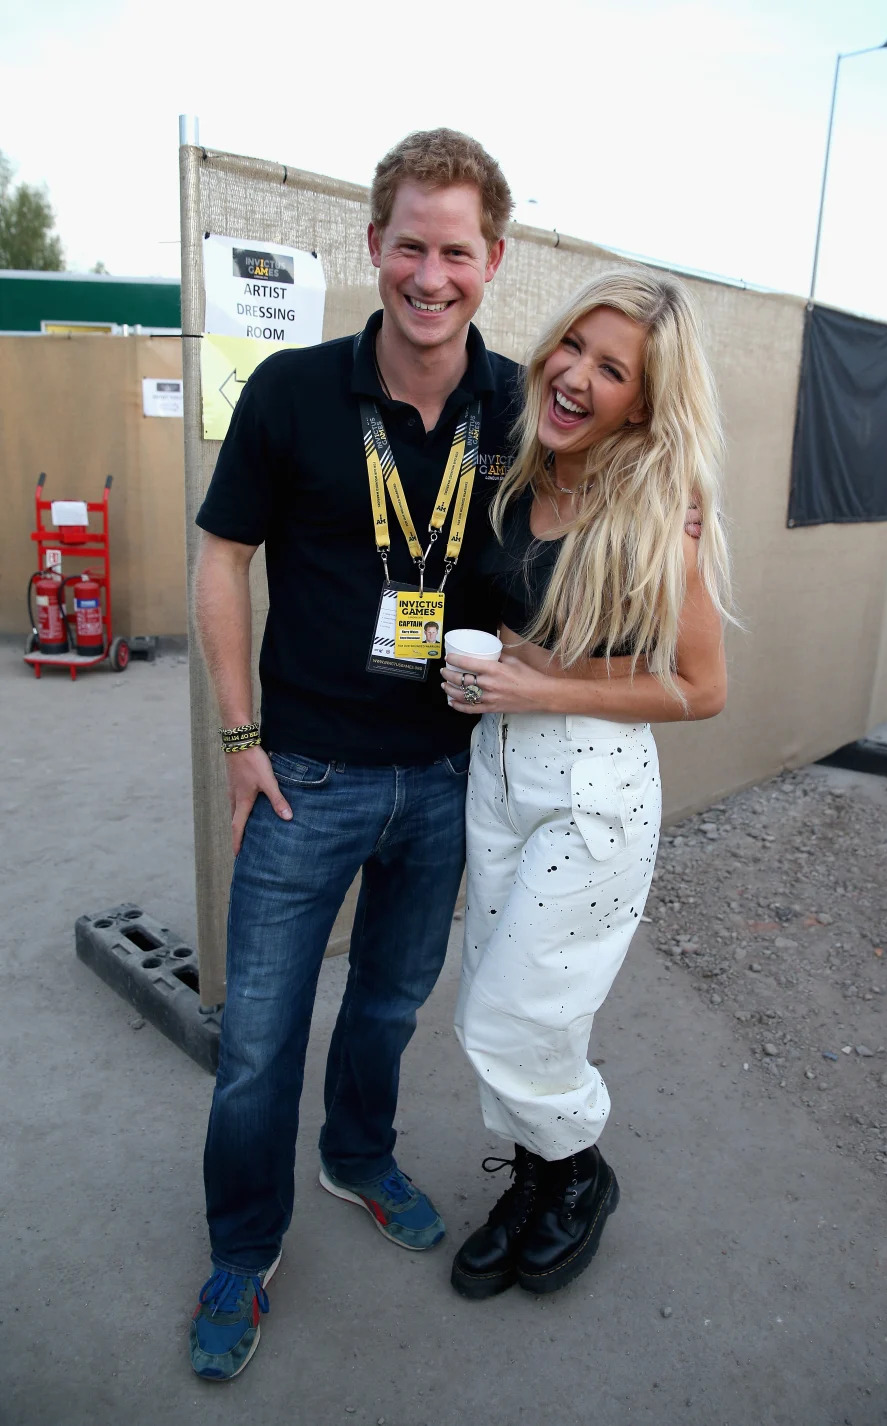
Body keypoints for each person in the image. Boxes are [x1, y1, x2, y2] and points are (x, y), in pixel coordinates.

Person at [188, 128, 519, 1381]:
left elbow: (599, 522)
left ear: (493, 257)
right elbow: (223, 556)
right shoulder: (289, 390)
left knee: (387, 1001)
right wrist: (239, 738)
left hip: (445, 776)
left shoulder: (520, 406)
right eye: (409, 247)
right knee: (261, 1036)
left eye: (456, 250)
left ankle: (359, 1155)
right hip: (304, 775)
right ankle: (241, 1245)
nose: (430, 276)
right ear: (372, 246)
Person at [440, 268, 731, 1299]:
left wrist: (548, 678)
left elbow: (700, 687)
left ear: (645, 403)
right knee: (518, 1001)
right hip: (499, 766)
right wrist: (495, 667)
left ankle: (580, 1172)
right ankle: (532, 1178)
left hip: (592, 782)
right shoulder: (519, 469)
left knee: (503, 1017)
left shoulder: (663, 507)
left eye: (612, 369)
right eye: (573, 346)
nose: (574, 375)